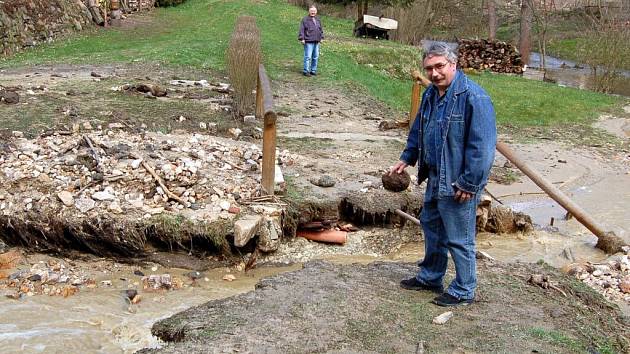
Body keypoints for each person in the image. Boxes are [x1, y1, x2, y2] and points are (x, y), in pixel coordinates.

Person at [390, 41, 497, 307]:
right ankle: (430, 276)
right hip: (435, 176)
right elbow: (419, 129)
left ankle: (464, 289)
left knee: (459, 238)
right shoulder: (431, 94)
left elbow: (482, 147)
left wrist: (470, 183)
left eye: (440, 67)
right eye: (429, 68)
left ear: (453, 64)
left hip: (459, 181)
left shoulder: (475, 97)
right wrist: (407, 158)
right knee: (432, 229)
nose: (435, 73)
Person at [298, 5, 324, 77]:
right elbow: (301, 30)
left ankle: (313, 70)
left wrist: (321, 38)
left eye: (314, 11)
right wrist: (302, 39)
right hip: (308, 41)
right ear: (309, 11)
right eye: (311, 11)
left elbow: (320, 30)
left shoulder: (318, 19)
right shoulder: (305, 19)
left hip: (317, 41)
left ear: (316, 12)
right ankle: (305, 71)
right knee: (308, 57)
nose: (313, 12)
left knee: (315, 56)